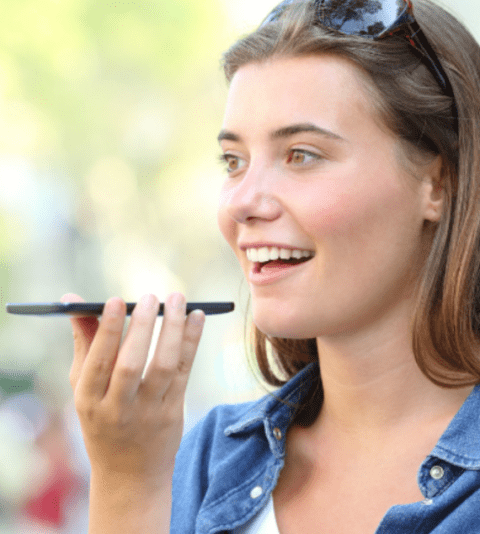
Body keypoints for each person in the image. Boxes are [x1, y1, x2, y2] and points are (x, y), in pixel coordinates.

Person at [62, 0, 480, 532]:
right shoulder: (204, 462)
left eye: (301, 155)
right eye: (234, 162)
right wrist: (125, 485)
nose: (242, 203)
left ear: (438, 183)